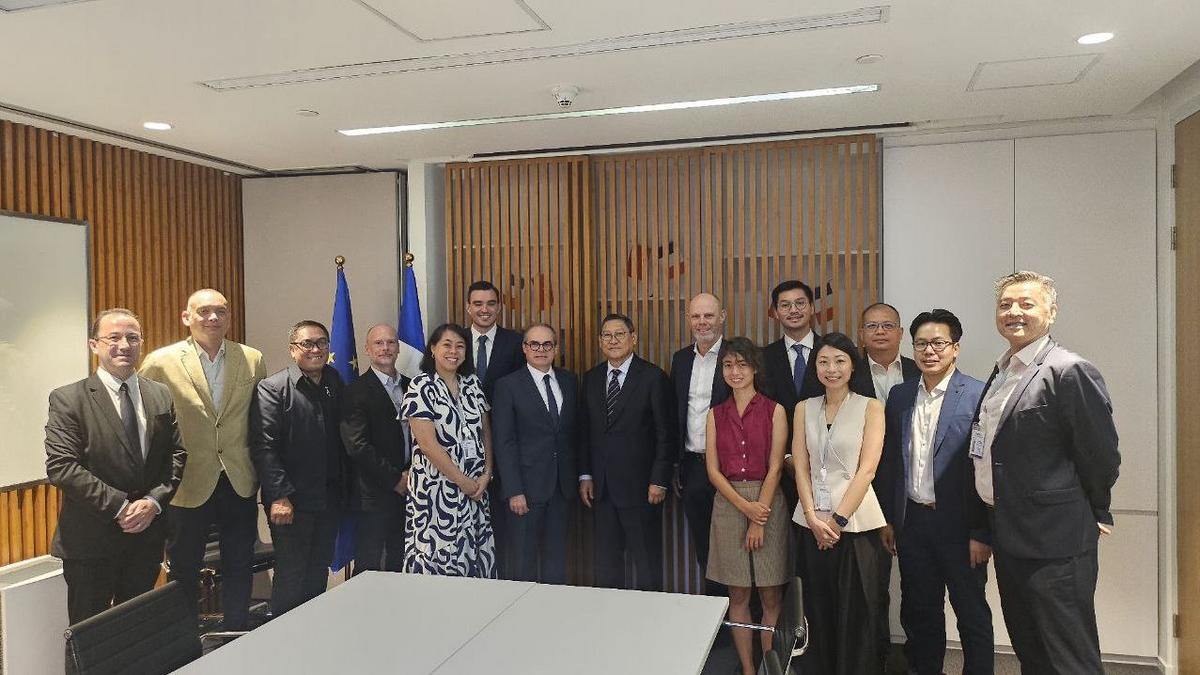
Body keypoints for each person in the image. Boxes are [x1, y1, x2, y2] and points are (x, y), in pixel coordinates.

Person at [968, 271, 1120, 673]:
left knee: (1068, 655)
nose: (1013, 312)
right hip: (1009, 532)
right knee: (1030, 647)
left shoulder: (1069, 370)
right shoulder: (1003, 371)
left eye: (1026, 303)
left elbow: (1101, 455)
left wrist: (1094, 509)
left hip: (1055, 539)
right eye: (1005, 304)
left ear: (1051, 312)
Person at [45, 308, 186, 624]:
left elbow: (176, 455)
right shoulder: (69, 399)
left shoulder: (159, 394)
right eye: (114, 338)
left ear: (141, 343)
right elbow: (62, 467)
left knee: (135, 632)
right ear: (94, 345)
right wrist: (121, 508)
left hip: (146, 538)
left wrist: (152, 503)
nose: (124, 345)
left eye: (132, 338)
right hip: (91, 542)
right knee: (89, 635)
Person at [139, 288, 266, 630]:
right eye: (204, 311)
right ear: (187, 317)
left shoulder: (251, 358)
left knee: (240, 562)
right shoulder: (160, 362)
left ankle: (238, 632)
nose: (213, 318)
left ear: (229, 317)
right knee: (183, 568)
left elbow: (258, 419)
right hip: (186, 481)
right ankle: (184, 642)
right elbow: (146, 424)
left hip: (238, 478)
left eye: (220, 311)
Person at [876, 309, 993, 674]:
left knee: (971, 614)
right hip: (913, 524)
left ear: (955, 348)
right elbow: (891, 462)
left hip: (961, 528)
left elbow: (987, 469)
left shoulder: (978, 394)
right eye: (922, 344)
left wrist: (982, 531)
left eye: (939, 343)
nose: (929, 351)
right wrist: (889, 519)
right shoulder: (900, 396)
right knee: (921, 614)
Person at [791, 332, 888, 675]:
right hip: (811, 523)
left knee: (858, 610)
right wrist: (811, 517)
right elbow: (800, 466)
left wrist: (837, 521)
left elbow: (867, 469)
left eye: (839, 361)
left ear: (852, 366)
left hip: (856, 523)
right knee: (817, 606)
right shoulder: (804, 408)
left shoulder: (870, 407)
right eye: (823, 361)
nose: (831, 369)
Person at [250, 320, 349, 616]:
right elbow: (264, 447)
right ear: (293, 350)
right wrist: (279, 496)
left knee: (318, 571)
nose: (315, 349)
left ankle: (311, 632)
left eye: (321, 343)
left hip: (328, 500)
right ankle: (283, 639)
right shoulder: (273, 388)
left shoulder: (334, 382)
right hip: (292, 502)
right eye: (307, 343)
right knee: (292, 575)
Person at [704, 337, 789, 675]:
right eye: (728, 365)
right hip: (729, 503)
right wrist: (744, 507)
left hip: (768, 502)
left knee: (771, 595)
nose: (735, 371)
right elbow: (713, 471)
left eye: (741, 364)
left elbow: (776, 467)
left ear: (754, 368)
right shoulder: (715, 414)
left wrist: (758, 517)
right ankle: (748, 668)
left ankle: (770, 668)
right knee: (737, 595)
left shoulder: (774, 410)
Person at [579, 313, 674, 591]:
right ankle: (610, 616)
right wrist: (585, 475)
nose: (613, 340)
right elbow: (584, 432)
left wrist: (659, 479)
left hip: (643, 489)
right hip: (602, 490)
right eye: (607, 335)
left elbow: (666, 433)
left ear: (633, 338)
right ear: (600, 341)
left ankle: (651, 616)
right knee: (607, 568)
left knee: (647, 566)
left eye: (619, 334)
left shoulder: (653, 377)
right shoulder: (592, 378)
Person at [401, 323, 496, 577]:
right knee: (438, 560)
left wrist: (486, 474)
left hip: (476, 490)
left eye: (460, 346)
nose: (454, 351)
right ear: (433, 349)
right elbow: (427, 445)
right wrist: (461, 481)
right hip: (436, 492)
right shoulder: (421, 386)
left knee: (474, 557)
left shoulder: (472, 383)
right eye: (447, 345)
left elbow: (486, 432)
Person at [491, 324, 578, 583]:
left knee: (557, 564)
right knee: (523, 563)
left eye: (547, 344)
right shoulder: (507, 386)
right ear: (525, 348)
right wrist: (514, 490)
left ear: (556, 349)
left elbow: (576, 432)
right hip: (525, 491)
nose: (541, 350)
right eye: (534, 344)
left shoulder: (569, 381)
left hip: (562, 489)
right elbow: (504, 441)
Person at [669, 292, 730, 591]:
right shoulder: (681, 360)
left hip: (731, 468)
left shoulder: (736, 356)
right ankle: (716, 614)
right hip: (693, 467)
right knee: (704, 547)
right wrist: (674, 465)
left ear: (722, 317)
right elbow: (675, 413)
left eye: (708, 315)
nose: (702, 322)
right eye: (696, 316)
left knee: (735, 546)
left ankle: (744, 615)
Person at [340, 324, 411, 573]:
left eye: (391, 342)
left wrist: (411, 475)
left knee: (403, 563)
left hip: (412, 491)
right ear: (367, 349)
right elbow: (357, 446)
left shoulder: (413, 386)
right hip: (374, 495)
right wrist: (395, 479)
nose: (385, 348)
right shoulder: (354, 392)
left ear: (398, 348)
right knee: (368, 566)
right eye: (379, 343)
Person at [465, 280, 524, 577]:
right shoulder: (455, 341)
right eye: (478, 304)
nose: (484, 310)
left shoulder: (517, 343)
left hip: (504, 450)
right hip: (461, 454)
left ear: (499, 307)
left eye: (490, 303)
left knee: (504, 534)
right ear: (468, 308)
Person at [858, 302, 920, 404]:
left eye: (888, 325)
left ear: (900, 333)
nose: (880, 331)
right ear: (862, 334)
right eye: (872, 326)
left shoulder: (920, 370)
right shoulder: (850, 374)